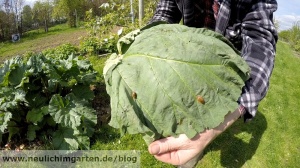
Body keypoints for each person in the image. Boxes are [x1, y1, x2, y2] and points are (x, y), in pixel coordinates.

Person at [147, 0, 278, 166]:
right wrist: (145, 44)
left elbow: (260, 45)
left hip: (224, 66)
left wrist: (219, 123)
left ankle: (193, 150)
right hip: (189, 54)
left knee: (205, 108)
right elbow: (165, 13)